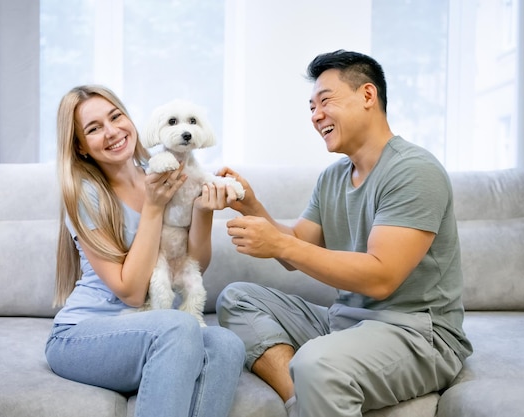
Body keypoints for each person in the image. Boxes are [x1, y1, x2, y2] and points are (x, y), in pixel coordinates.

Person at [215, 50, 473, 417]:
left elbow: (381, 277)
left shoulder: (414, 170)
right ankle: (302, 402)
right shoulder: (333, 176)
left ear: (368, 96)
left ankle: (314, 388)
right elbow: (297, 249)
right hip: (347, 321)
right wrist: (251, 206)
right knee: (237, 298)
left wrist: (279, 243)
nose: (315, 115)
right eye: (310, 107)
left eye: (325, 101)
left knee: (316, 363)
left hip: (417, 333)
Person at [45, 85, 245, 417]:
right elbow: (133, 294)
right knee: (178, 327)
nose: (111, 132)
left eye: (115, 116)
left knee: (227, 345)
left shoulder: (163, 174)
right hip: (81, 336)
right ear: (80, 146)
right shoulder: (86, 195)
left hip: (150, 328)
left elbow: (193, 264)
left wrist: (202, 210)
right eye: (94, 129)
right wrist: (153, 209)